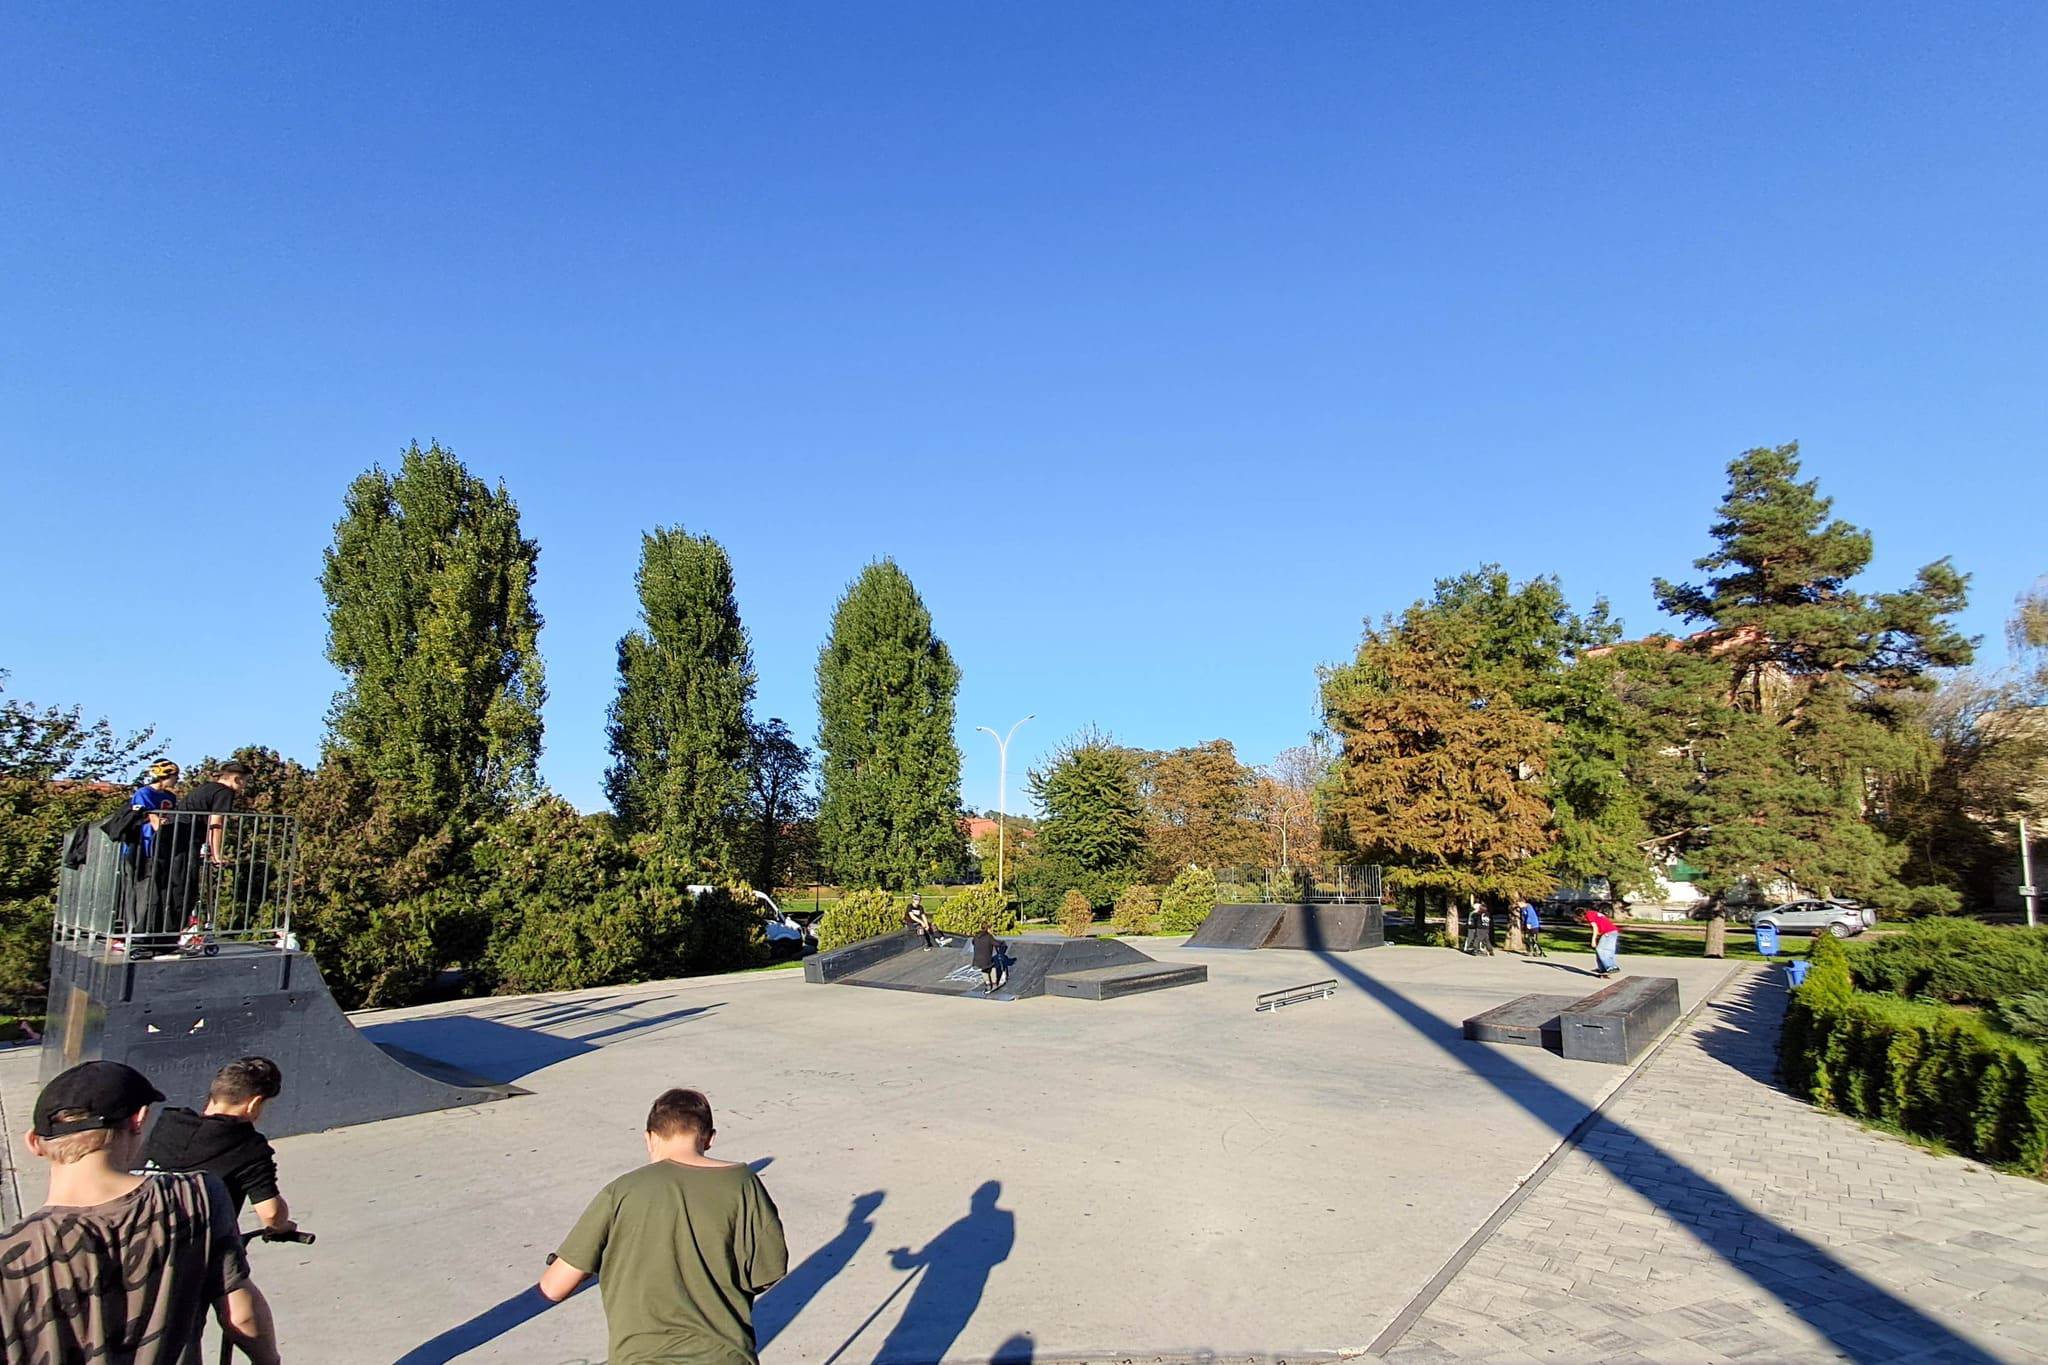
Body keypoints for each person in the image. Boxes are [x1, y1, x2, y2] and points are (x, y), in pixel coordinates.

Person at [0, 1061, 281, 1365]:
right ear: (138, 1120)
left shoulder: (10, 1253)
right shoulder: (196, 1196)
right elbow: (240, 1314)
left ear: (33, 1143)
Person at [540, 1088, 787, 1365]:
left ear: (649, 1138)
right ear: (709, 1138)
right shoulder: (743, 1184)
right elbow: (767, 1272)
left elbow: (553, 1287)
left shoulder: (620, 1192)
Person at [143, 1056, 294, 1232]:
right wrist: (282, 1225)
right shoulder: (249, 1146)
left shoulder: (169, 1121)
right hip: (203, 1250)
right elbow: (270, 1214)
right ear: (254, 1104)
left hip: (145, 1240)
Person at [162, 760, 251, 942]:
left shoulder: (208, 788)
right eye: (245, 781)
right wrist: (217, 854)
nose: (245, 786)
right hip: (185, 839)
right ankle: (170, 935)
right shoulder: (225, 792)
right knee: (185, 887)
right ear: (237, 780)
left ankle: (170, 932)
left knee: (175, 885)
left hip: (173, 837)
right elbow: (216, 823)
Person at [1584, 906, 1621, 977]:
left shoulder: (1588, 915)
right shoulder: (1594, 913)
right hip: (1613, 931)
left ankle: (1611, 967)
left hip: (1608, 932)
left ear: (1581, 915)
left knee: (1601, 950)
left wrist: (1593, 940)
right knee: (1606, 950)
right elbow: (1600, 925)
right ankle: (1603, 968)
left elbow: (1595, 927)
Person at [973, 926, 1006, 995]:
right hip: (986, 959)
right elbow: (996, 943)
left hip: (977, 960)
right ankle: (994, 984)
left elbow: (973, 942)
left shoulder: (976, 936)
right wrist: (1002, 943)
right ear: (987, 929)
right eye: (990, 929)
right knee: (992, 966)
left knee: (984, 969)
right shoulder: (988, 937)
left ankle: (988, 984)